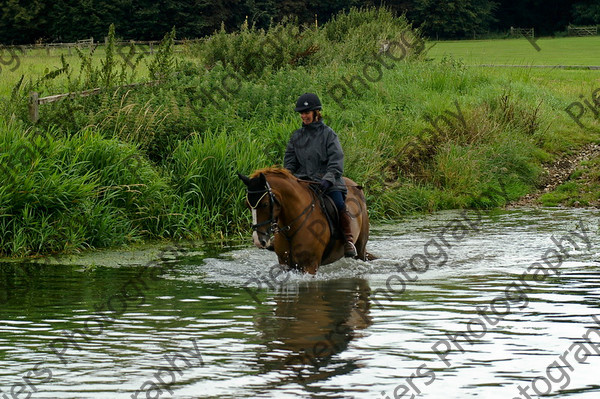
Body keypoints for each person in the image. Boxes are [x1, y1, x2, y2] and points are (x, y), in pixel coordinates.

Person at [284, 93, 357, 257]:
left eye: (307, 112)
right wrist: (290, 179)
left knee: (338, 204)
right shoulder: (296, 137)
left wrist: (328, 179)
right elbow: (289, 163)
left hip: (328, 183)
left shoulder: (329, 135)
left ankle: (348, 240)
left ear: (316, 112)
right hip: (304, 183)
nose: (303, 116)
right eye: (301, 113)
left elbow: (336, 161)